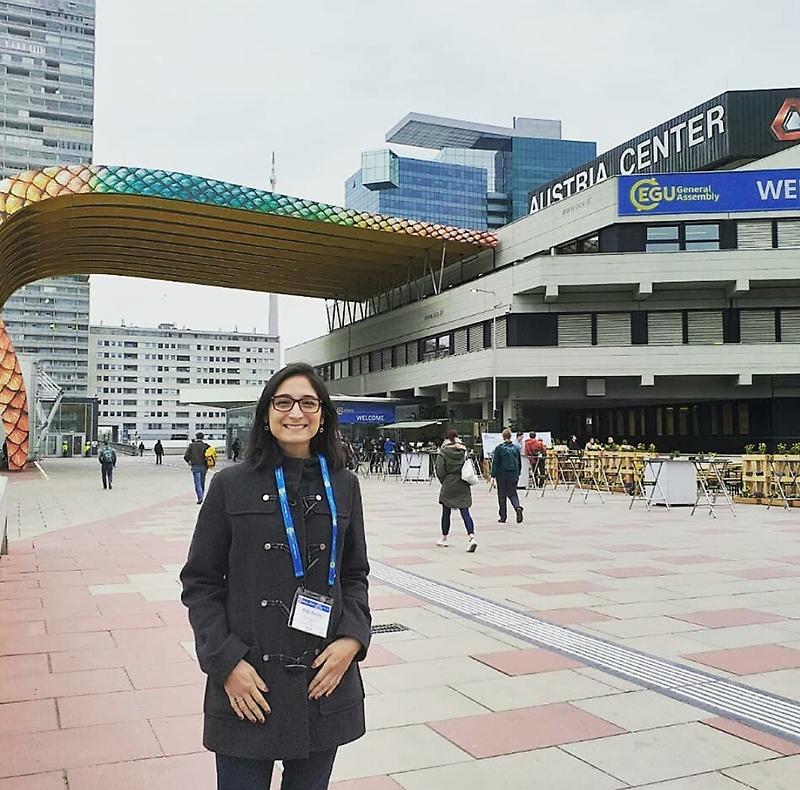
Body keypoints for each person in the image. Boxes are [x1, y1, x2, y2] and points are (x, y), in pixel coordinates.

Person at [180, 362, 370, 790]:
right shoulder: (231, 485)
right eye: (283, 402)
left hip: (323, 681)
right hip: (250, 685)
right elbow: (200, 583)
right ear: (266, 414)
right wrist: (226, 662)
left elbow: (355, 575)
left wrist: (352, 640)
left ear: (322, 415)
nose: (295, 413)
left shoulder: (344, 485)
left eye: (307, 403)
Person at [435, 429, 477, 552]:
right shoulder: (463, 451)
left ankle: (444, 538)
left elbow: (440, 471)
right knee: (465, 511)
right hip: (463, 482)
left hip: (449, 483)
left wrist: (445, 482)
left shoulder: (443, 452)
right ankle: (471, 537)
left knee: (446, 511)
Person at [491, 428, 524, 524]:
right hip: (513, 474)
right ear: (511, 436)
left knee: (502, 495)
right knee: (513, 493)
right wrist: (518, 473)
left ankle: (503, 516)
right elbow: (519, 462)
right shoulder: (515, 448)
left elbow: (495, 463)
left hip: (501, 475)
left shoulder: (499, 448)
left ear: (503, 437)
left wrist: (493, 475)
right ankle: (517, 507)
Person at [184, 432, 212, 504]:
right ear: (203, 437)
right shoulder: (206, 446)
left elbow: (186, 456)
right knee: (202, 482)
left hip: (195, 466)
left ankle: (200, 496)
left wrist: (189, 462)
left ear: (196, 437)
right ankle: (202, 494)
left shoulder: (192, 445)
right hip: (204, 466)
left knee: (197, 482)